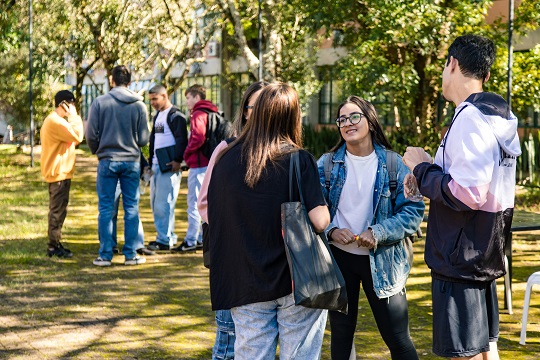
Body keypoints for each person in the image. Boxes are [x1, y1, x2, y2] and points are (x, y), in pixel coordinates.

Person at [403, 34, 521, 360]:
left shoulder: (470, 118)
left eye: (444, 65)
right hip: (483, 251)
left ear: (452, 64)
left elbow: (468, 193)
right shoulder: (499, 115)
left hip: (459, 258)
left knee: (465, 352)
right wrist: (430, 172)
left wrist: (423, 169)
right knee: (485, 349)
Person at [207, 82, 330, 359]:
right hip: (296, 277)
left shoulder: (226, 159)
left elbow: (215, 216)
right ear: (292, 116)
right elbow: (320, 221)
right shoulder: (298, 159)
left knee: (251, 353)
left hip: (244, 277)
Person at [317, 96, 424, 360]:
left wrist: (378, 232)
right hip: (339, 261)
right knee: (341, 338)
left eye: (354, 117)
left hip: (384, 262)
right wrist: (331, 230)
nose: (347, 123)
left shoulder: (396, 165)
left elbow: (413, 213)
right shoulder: (326, 164)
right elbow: (311, 206)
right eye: (342, 119)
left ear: (370, 121)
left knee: (398, 339)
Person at [198, 80, 268, 360]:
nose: (261, 112)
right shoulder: (226, 149)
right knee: (228, 336)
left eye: (268, 105)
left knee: (259, 339)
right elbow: (204, 204)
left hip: (272, 262)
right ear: (246, 111)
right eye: (255, 106)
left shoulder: (288, 153)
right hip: (233, 257)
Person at [86, 65, 150, 266]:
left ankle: (105, 255)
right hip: (131, 161)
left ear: (111, 80)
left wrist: (98, 150)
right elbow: (143, 139)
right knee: (131, 208)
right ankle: (130, 254)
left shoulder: (99, 102)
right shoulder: (139, 105)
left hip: (107, 160)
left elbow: (90, 134)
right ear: (130, 82)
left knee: (106, 208)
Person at [172, 84, 218, 252]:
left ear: (197, 97)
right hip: (209, 164)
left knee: (194, 203)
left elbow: (198, 137)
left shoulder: (198, 114)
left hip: (198, 165)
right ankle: (200, 237)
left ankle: (191, 240)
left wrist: (187, 152)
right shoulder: (212, 112)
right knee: (206, 202)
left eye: (188, 98)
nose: (187, 102)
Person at [144, 84, 188, 251]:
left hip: (169, 167)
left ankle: (165, 239)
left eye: (155, 99)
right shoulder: (158, 116)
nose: (153, 103)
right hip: (156, 165)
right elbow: (154, 140)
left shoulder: (176, 116)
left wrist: (178, 160)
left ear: (164, 95)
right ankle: (163, 236)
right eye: (150, 100)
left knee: (165, 204)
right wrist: (149, 163)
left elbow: (182, 140)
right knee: (156, 204)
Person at [40, 90, 84, 258]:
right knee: (57, 211)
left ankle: (56, 242)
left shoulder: (57, 121)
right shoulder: (55, 122)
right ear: (63, 104)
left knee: (60, 210)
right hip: (58, 173)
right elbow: (78, 135)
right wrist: (73, 116)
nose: (73, 108)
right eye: (71, 104)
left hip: (61, 172)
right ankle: (53, 246)